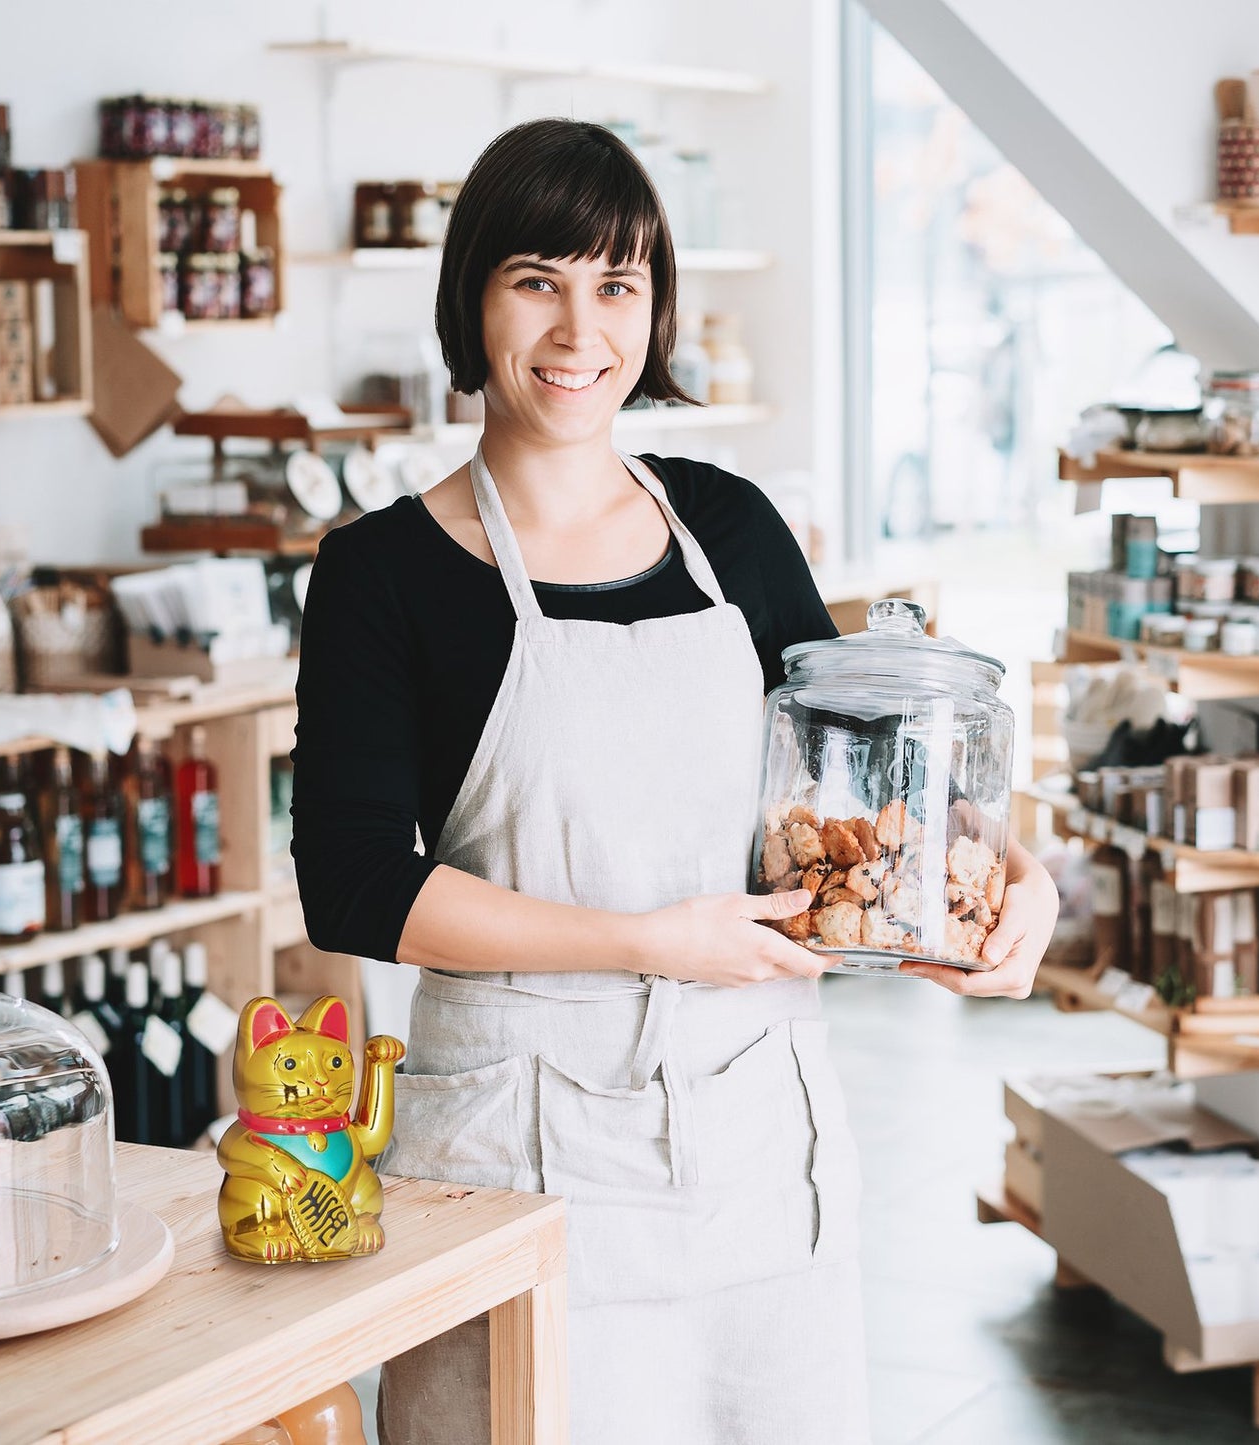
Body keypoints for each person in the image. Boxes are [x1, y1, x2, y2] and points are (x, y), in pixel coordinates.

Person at [293, 117, 1059, 1445]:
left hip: (762, 1153)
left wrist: (998, 887)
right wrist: (649, 941)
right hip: (524, 1166)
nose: (578, 328)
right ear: (470, 296)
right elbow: (354, 884)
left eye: (617, 284)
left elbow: (861, 775)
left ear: (652, 311)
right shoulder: (384, 576)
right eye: (537, 278)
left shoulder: (729, 525)